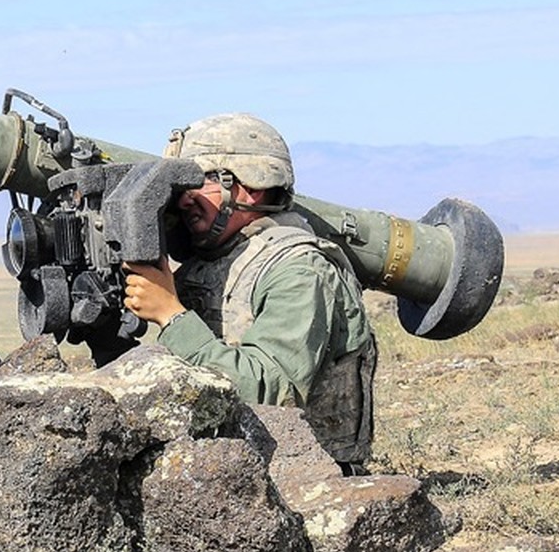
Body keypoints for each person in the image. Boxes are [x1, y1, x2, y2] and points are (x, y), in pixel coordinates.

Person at [122, 113, 376, 468]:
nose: (182, 200)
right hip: (235, 466)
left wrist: (171, 315)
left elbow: (271, 392)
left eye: (198, 181)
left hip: (307, 475)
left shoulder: (298, 269)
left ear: (251, 186)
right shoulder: (214, 260)